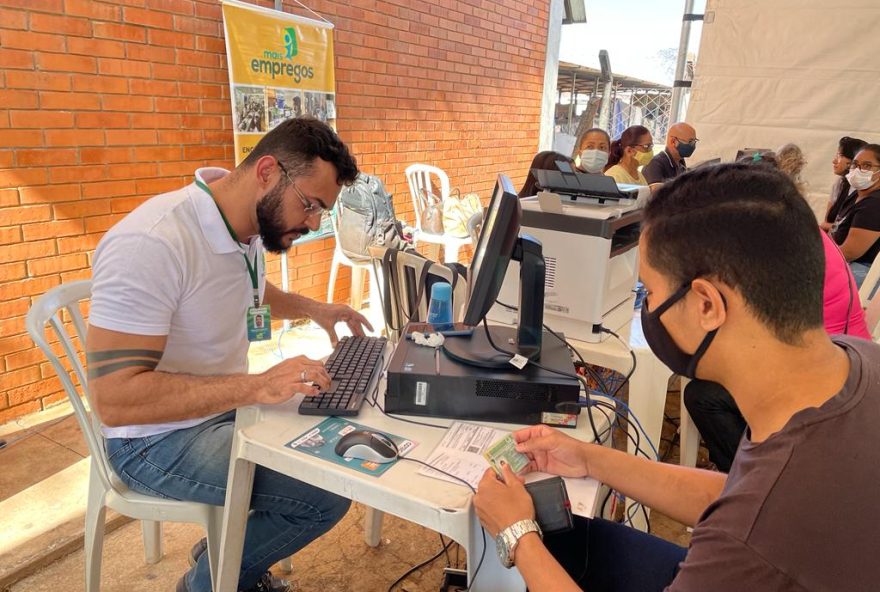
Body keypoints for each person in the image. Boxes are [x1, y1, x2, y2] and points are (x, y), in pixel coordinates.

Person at [473, 163, 880, 591]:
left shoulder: (754, 534)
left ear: (707, 304)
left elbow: (748, 520)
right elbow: (730, 495)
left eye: (650, 292)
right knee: (568, 536)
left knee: (537, 546)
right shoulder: (855, 362)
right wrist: (589, 457)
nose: (648, 309)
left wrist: (517, 535)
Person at [87, 118, 370, 592]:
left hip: (218, 411)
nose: (314, 222)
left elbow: (250, 290)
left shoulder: (244, 225)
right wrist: (258, 385)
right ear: (266, 172)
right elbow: (115, 400)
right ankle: (206, 581)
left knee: (333, 437)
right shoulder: (151, 243)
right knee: (327, 492)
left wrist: (315, 309)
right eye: (311, 205)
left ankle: (229, 550)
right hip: (152, 441)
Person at [829, 144, 880, 287]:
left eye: (867, 166)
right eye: (855, 164)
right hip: (844, 261)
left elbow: (851, 252)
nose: (858, 170)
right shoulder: (856, 195)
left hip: (862, 269)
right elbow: (835, 228)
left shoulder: (874, 203)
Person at [821, 136, 867, 232]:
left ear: (855, 159)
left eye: (840, 156)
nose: (834, 161)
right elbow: (826, 222)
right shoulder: (840, 183)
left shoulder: (866, 189)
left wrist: (831, 227)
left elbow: (849, 229)